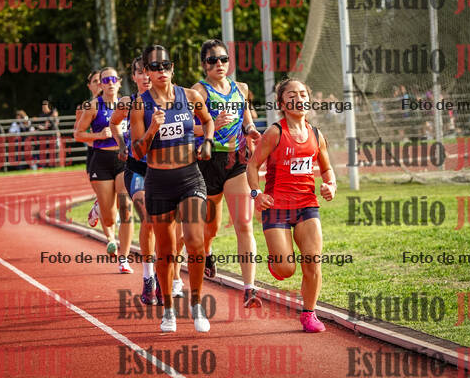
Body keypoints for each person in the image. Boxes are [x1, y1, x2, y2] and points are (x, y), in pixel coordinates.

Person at [130, 44, 214, 332]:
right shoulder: (140, 105)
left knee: (195, 240)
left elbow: (208, 121)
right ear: (146, 72)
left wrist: (208, 142)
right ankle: (167, 310)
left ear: (172, 68)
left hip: (190, 177)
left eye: (165, 66)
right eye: (155, 67)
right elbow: (137, 152)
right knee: (165, 252)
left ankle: (196, 304)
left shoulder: (190, 96)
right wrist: (152, 129)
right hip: (159, 182)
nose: (161, 71)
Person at [247, 78, 337, 333]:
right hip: (276, 206)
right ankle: (276, 260)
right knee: (286, 269)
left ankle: (309, 313)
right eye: (292, 95)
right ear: (282, 104)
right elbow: (252, 165)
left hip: (307, 205)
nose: (299, 99)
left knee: (313, 262)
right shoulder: (275, 133)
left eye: (303, 94)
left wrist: (331, 185)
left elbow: (327, 169)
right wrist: (256, 194)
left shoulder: (316, 135)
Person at [191, 39, 262, 308]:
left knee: (244, 223)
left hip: (237, 160)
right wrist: (211, 125)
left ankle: (250, 288)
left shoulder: (240, 88)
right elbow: (188, 127)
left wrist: (251, 130)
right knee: (210, 228)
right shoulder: (198, 91)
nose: (219, 64)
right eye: (213, 60)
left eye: (223, 59)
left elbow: (246, 120)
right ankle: (208, 251)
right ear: (204, 65)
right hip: (208, 161)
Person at [110, 56, 165, 303]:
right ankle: (148, 277)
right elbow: (114, 123)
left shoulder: (169, 100)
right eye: (140, 72)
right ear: (133, 77)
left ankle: (166, 276)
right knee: (149, 219)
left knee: (168, 226)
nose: (145, 76)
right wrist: (122, 145)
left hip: (164, 170)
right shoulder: (128, 102)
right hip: (138, 169)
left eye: (148, 71)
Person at [75, 67, 134, 274]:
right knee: (109, 218)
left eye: (113, 79)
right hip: (101, 161)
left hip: (123, 160)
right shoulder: (93, 106)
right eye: (105, 80)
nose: (110, 83)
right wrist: (99, 135)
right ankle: (100, 208)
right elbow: (78, 134)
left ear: (119, 82)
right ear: (100, 84)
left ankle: (124, 259)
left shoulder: (128, 103)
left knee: (126, 209)